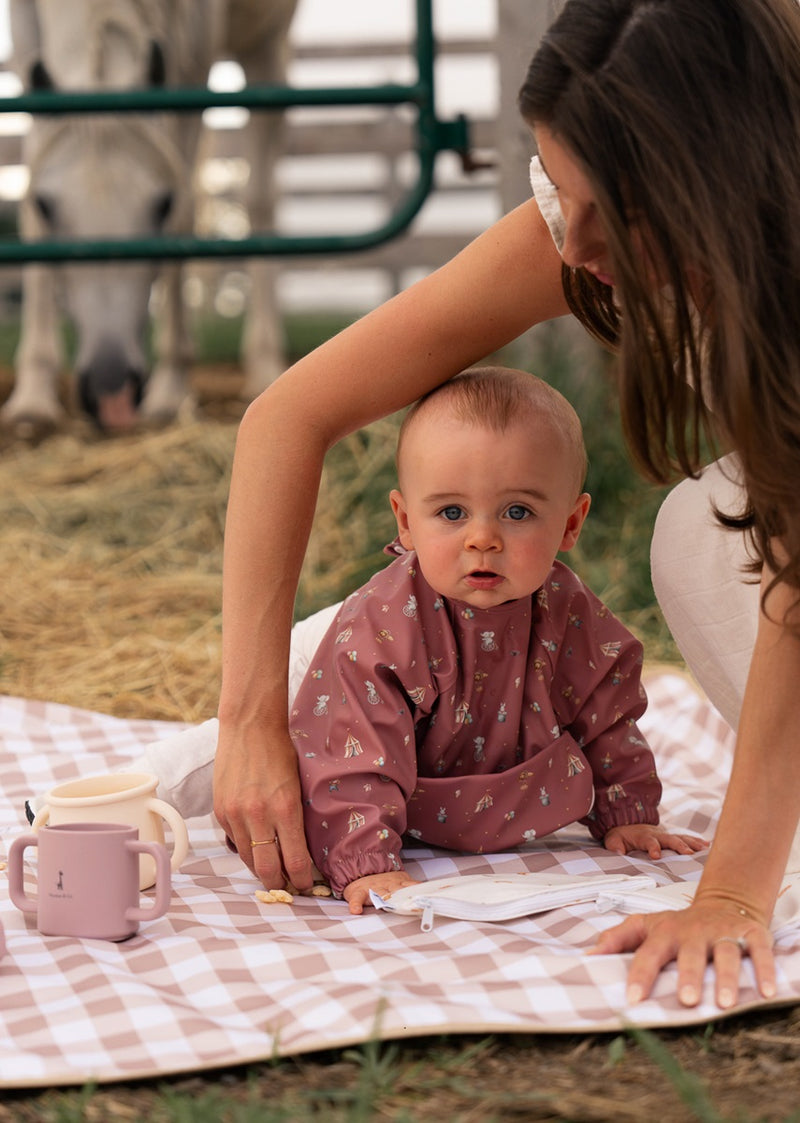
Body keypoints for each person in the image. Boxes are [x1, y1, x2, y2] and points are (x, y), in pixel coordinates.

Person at [213, 0, 800, 1010]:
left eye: (601, 211)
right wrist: (248, 719)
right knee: (703, 527)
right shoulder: (575, 237)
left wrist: (734, 897)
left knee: (712, 539)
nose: (568, 245)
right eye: (552, 192)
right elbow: (286, 417)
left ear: (708, 185)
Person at [289, 366, 704, 913]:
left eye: (518, 512)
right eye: (452, 512)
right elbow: (354, 748)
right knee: (240, 757)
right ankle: (151, 785)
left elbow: (606, 712)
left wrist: (628, 814)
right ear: (406, 520)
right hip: (323, 679)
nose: (483, 538)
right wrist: (365, 862)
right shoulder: (379, 627)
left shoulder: (567, 611)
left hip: (461, 751)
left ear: (571, 524)